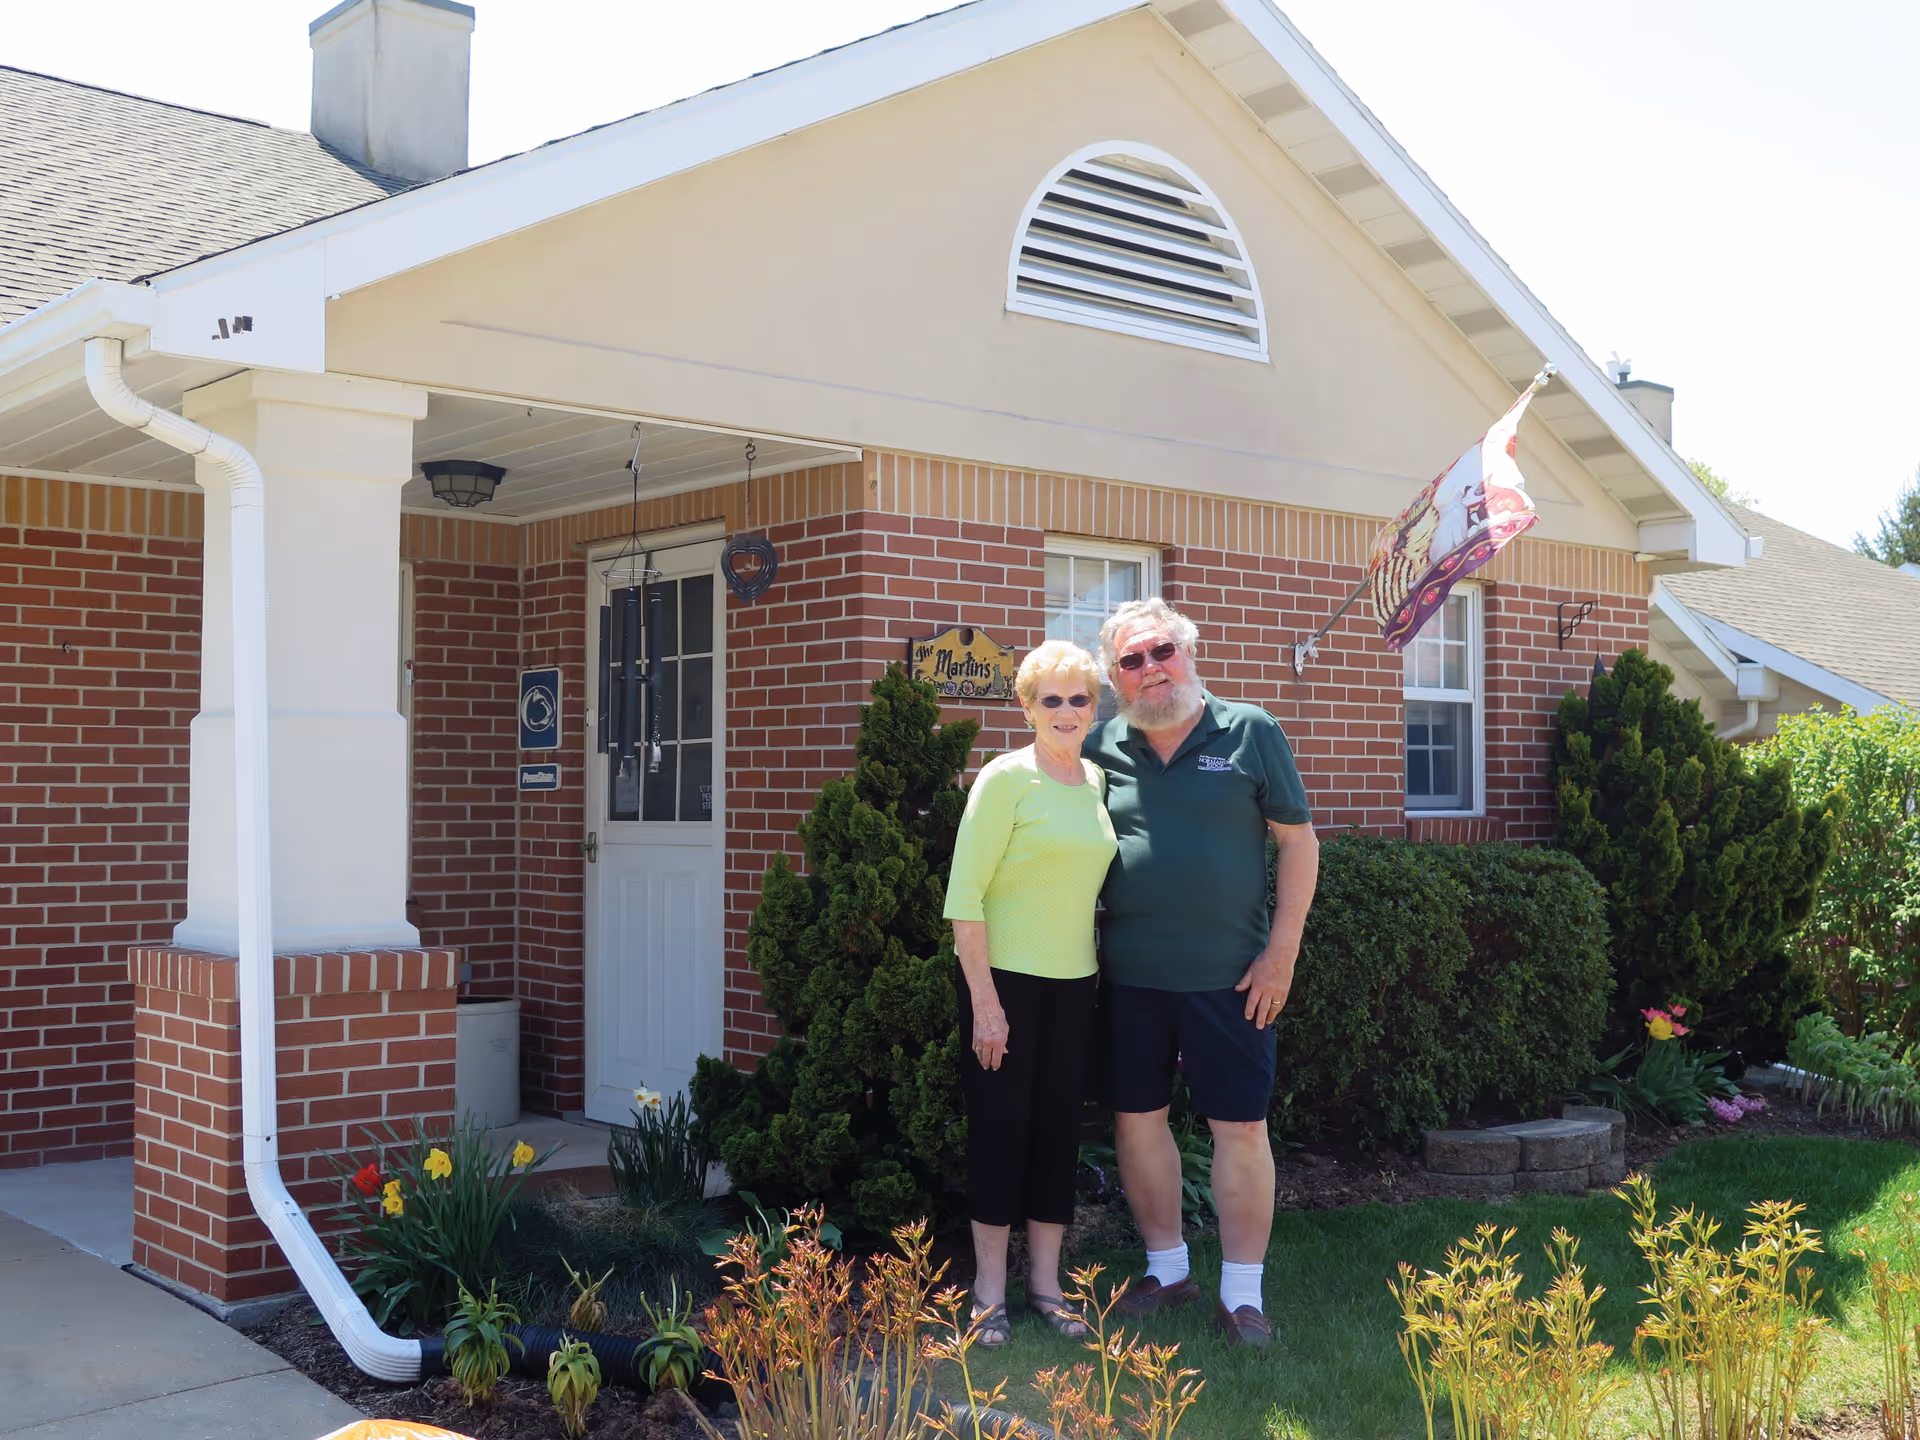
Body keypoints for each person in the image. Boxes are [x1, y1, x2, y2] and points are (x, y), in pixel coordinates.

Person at [1084, 598, 1320, 1349]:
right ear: (1116, 677)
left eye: (1162, 652)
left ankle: (1243, 1295)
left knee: (1241, 1127)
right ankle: (1167, 1268)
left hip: (1234, 976)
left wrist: (1281, 953)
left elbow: (1298, 842)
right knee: (1137, 1119)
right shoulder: (1099, 748)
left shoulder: (1249, 730)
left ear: (1188, 653)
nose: (1151, 669)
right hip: (1130, 977)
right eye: (1132, 660)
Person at [944, 639, 1118, 1348]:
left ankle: (1045, 1286)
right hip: (1004, 986)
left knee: (1055, 1135)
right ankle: (989, 1290)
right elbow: (964, 897)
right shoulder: (1004, 778)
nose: (1068, 711)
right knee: (1000, 1131)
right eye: (1053, 699)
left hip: (1076, 985)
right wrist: (985, 1003)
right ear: (1027, 707)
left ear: (1093, 706)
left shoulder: (1098, 781)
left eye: (1080, 698)